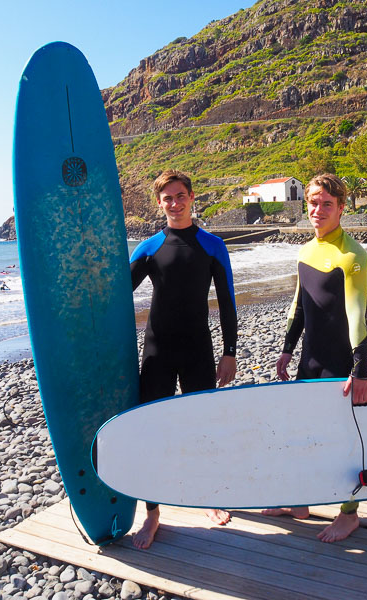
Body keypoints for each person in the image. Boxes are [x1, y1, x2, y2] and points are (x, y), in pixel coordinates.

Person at [129, 170, 238, 549]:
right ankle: (153, 514)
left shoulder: (212, 246)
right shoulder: (148, 248)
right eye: (167, 199)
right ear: (159, 203)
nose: (174, 203)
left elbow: (227, 304)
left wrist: (230, 353)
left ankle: (208, 496)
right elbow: (114, 297)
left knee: (202, 425)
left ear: (192, 197)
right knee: (150, 429)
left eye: (180, 196)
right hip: (157, 350)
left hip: (197, 350)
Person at [268, 173, 367, 543]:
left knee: (341, 441)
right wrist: (286, 348)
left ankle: (349, 513)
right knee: (301, 433)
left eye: (327, 203)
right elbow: (300, 306)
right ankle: (300, 502)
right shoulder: (305, 251)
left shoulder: (353, 256)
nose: (318, 209)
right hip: (308, 360)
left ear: (342, 208)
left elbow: (357, 316)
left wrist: (361, 371)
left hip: (340, 363)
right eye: (313, 202)